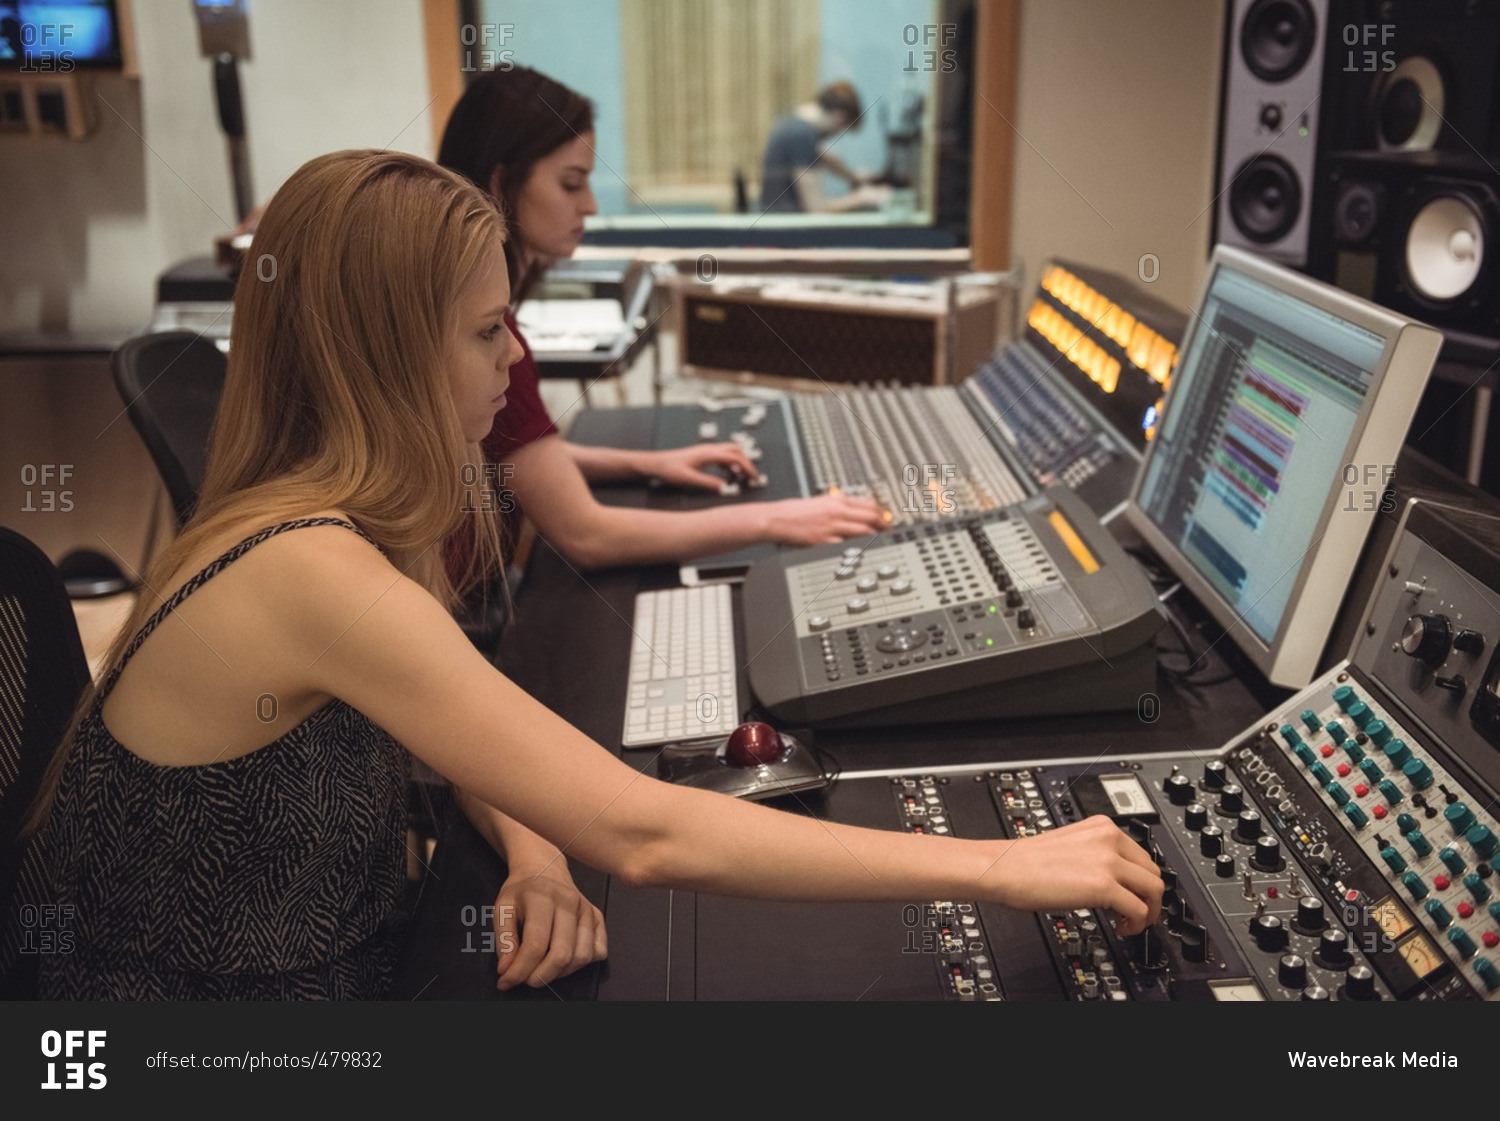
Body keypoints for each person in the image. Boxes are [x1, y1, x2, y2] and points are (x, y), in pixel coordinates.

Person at [23, 150, 1161, 1000]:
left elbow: (444, 726)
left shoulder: (339, 521)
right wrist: (1005, 867)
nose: (516, 358)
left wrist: (531, 844)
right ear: (386, 362)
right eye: (485, 332)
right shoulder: (312, 570)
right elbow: (648, 834)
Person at [438, 66, 888, 569]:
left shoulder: (485, 323)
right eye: (571, 184)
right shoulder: (489, 339)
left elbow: (517, 457)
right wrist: (777, 520)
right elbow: (588, 535)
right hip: (472, 612)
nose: (589, 206)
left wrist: (649, 463)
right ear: (502, 184)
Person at [759, 80, 890, 214]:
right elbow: (817, 208)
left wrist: (853, 176)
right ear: (839, 117)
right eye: (842, 130)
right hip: (785, 227)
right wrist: (863, 197)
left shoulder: (792, 122)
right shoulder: (801, 136)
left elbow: (826, 157)